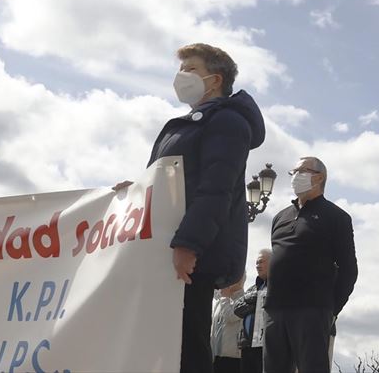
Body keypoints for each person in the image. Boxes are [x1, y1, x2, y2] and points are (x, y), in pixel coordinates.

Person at [115, 43, 265, 373]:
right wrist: (137, 190)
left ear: (215, 79)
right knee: (160, 342)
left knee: (185, 345)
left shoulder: (227, 123)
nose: (181, 76)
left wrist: (188, 244)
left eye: (190, 68)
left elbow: (216, 189)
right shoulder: (185, 124)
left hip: (190, 255)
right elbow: (166, 181)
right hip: (163, 250)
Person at [262, 157, 357, 373]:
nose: (295, 176)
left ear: (319, 177)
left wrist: (332, 308)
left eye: (301, 171)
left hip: (312, 310)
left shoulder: (337, 217)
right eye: (292, 172)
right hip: (275, 310)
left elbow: (349, 269)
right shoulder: (280, 217)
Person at [234, 249, 270, 373]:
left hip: (266, 346)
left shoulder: (277, 286)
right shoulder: (253, 288)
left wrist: (253, 301)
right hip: (248, 345)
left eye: (260, 262)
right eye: (256, 263)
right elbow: (237, 308)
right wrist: (258, 298)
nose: (257, 266)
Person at [211, 275, 246, 373]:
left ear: (239, 281)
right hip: (215, 358)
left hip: (233, 360)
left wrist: (224, 298)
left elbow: (230, 316)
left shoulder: (244, 300)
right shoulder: (220, 302)